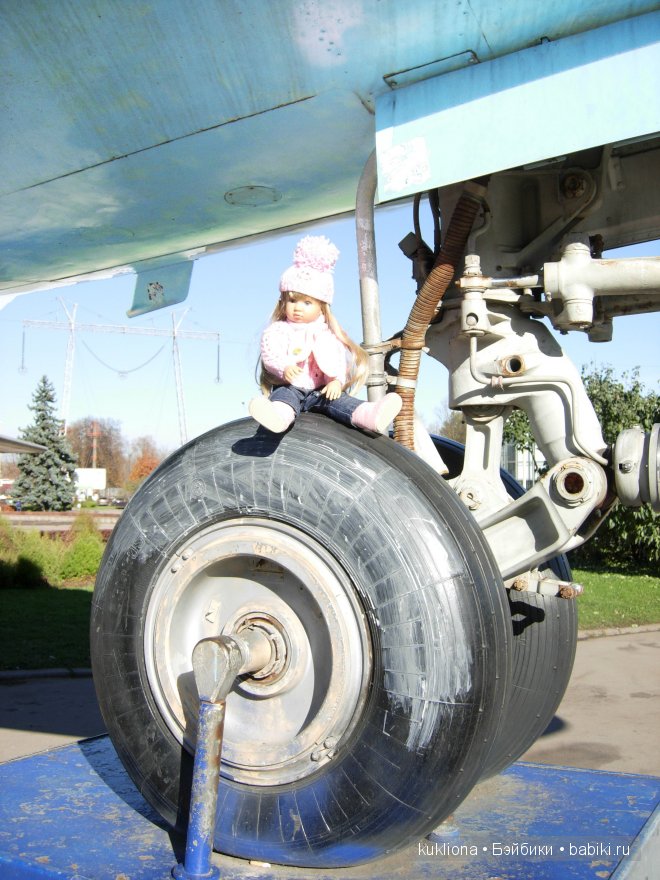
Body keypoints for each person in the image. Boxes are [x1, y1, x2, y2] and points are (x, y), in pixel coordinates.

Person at [248, 235, 402, 434]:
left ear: (322, 307)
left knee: (341, 402)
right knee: (284, 399)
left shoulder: (327, 334)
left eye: (307, 303)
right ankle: (277, 418)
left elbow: (336, 359)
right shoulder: (278, 330)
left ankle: (371, 415)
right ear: (283, 302)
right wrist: (283, 367)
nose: (298, 308)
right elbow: (271, 353)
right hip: (290, 386)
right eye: (292, 301)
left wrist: (336, 381)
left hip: (320, 391)